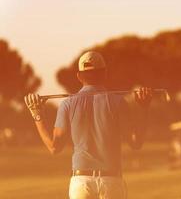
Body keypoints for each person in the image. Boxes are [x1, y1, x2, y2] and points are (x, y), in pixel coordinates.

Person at [24, 51, 152, 199]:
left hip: (81, 183)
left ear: (79, 76)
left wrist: (37, 115)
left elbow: (54, 147)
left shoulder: (67, 104)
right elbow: (136, 143)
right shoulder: (118, 102)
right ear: (104, 73)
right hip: (111, 181)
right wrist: (143, 108)